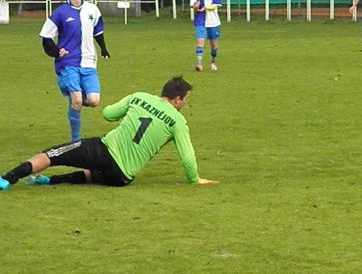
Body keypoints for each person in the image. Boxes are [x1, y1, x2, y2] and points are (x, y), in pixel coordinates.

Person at [0, 77, 216, 190]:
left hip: (104, 150)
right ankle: (49, 182)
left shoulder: (138, 96)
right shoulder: (178, 121)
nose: (186, 104)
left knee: (53, 154)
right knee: (93, 175)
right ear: (177, 99)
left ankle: (7, 179)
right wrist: (195, 180)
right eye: (186, 100)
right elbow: (187, 156)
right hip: (122, 176)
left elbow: (108, 114)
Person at [40, 0, 110, 142]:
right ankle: (75, 141)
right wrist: (56, 52)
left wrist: (104, 49)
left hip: (89, 62)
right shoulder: (60, 13)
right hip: (68, 62)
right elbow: (46, 37)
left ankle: (74, 99)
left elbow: (98, 31)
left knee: (93, 101)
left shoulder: (92, 9)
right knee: (78, 99)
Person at [191, 0, 222, 72]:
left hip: (212, 21)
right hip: (200, 20)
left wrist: (206, 8)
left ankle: (213, 61)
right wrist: (196, 6)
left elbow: (216, 5)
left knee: (213, 44)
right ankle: (199, 64)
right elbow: (193, 5)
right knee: (200, 41)